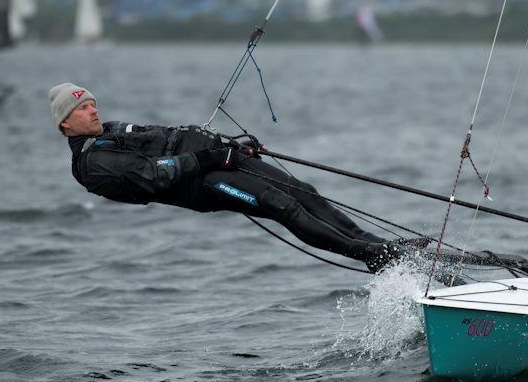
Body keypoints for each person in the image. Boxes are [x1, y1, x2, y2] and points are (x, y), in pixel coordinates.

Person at [50, 82, 420, 272]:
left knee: (302, 189)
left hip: (215, 161)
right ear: (66, 122)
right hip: (199, 184)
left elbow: (169, 137)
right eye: (83, 108)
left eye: (93, 102)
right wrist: (213, 156)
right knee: (281, 205)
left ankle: (380, 245)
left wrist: (230, 146)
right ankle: (370, 254)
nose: (93, 110)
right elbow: (158, 175)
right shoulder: (94, 162)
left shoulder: (111, 129)